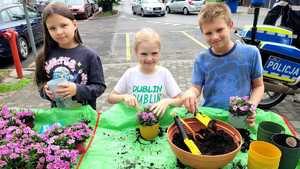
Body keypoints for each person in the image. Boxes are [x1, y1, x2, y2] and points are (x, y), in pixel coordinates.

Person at [181, 3, 264, 125]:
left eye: (219, 30)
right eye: (208, 33)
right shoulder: (201, 59)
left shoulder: (251, 53)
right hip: (210, 116)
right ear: (202, 33)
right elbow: (196, 88)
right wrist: (190, 93)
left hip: (239, 116)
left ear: (230, 25)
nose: (214, 37)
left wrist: (251, 105)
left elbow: (258, 86)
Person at [35, 2, 106, 110]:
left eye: (63, 25)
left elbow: (99, 87)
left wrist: (76, 90)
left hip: (85, 119)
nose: (58, 32)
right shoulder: (43, 56)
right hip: (58, 118)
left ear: (74, 24)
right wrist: (46, 92)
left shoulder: (90, 56)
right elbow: (40, 84)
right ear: (47, 30)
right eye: (52, 28)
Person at [107, 28, 182, 118]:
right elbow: (111, 98)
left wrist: (167, 102)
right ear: (136, 53)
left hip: (159, 123)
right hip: (134, 124)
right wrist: (124, 97)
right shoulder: (130, 74)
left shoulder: (164, 73)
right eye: (144, 54)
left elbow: (180, 100)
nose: (149, 59)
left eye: (154, 53)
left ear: (159, 52)